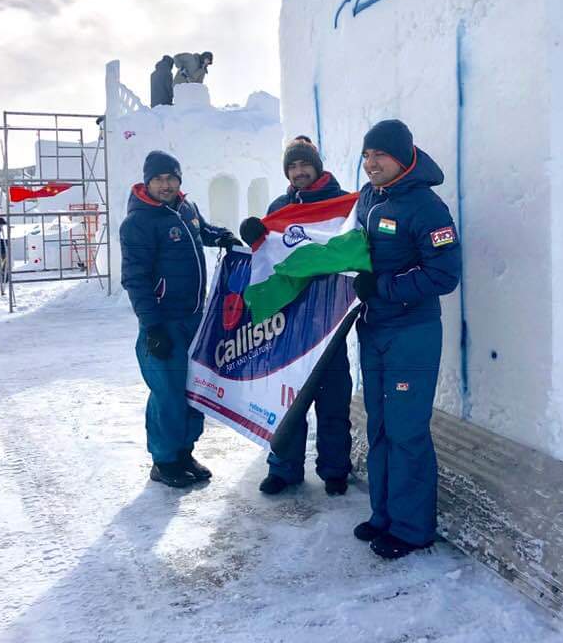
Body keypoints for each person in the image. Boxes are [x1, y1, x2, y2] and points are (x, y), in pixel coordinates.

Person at [351, 120, 461, 559]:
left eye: (380, 155)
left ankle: (413, 529)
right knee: (378, 427)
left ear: (403, 157)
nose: (371, 163)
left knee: (406, 432)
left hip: (411, 333)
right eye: (366, 155)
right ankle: (385, 515)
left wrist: (382, 288)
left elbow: (444, 274)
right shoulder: (368, 199)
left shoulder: (427, 208)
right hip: (372, 329)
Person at [240, 136, 353, 497]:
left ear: (316, 166)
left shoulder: (343, 204)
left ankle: (335, 469)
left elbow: (358, 245)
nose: (299, 171)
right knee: (286, 402)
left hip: (330, 318)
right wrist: (254, 237)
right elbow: (266, 258)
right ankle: (284, 469)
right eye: (292, 166)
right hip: (289, 322)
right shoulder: (280, 206)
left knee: (333, 400)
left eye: (304, 164)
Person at [120, 150, 240, 487]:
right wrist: (152, 326)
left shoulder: (186, 209)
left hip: (194, 317)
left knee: (193, 388)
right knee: (168, 392)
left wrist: (221, 236)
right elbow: (135, 278)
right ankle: (164, 460)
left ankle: (184, 452)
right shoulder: (139, 222)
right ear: (148, 181)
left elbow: (201, 231)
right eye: (158, 178)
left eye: (171, 177)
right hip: (164, 322)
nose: (166, 184)